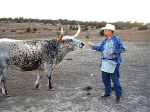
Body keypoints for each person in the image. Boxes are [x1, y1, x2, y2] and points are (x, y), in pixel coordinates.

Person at [88, 24, 125, 102]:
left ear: (110, 31)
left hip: (113, 63)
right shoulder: (104, 40)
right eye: (104, 30)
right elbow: (101, 48)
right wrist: (92, 46)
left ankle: (118, 96)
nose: (104, 31)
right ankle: (107, 93)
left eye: (105, 30)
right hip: (105, 62)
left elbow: (122, 49)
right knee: (105, 79)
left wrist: (114, 51)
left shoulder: (117, 39)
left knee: (115, 81)